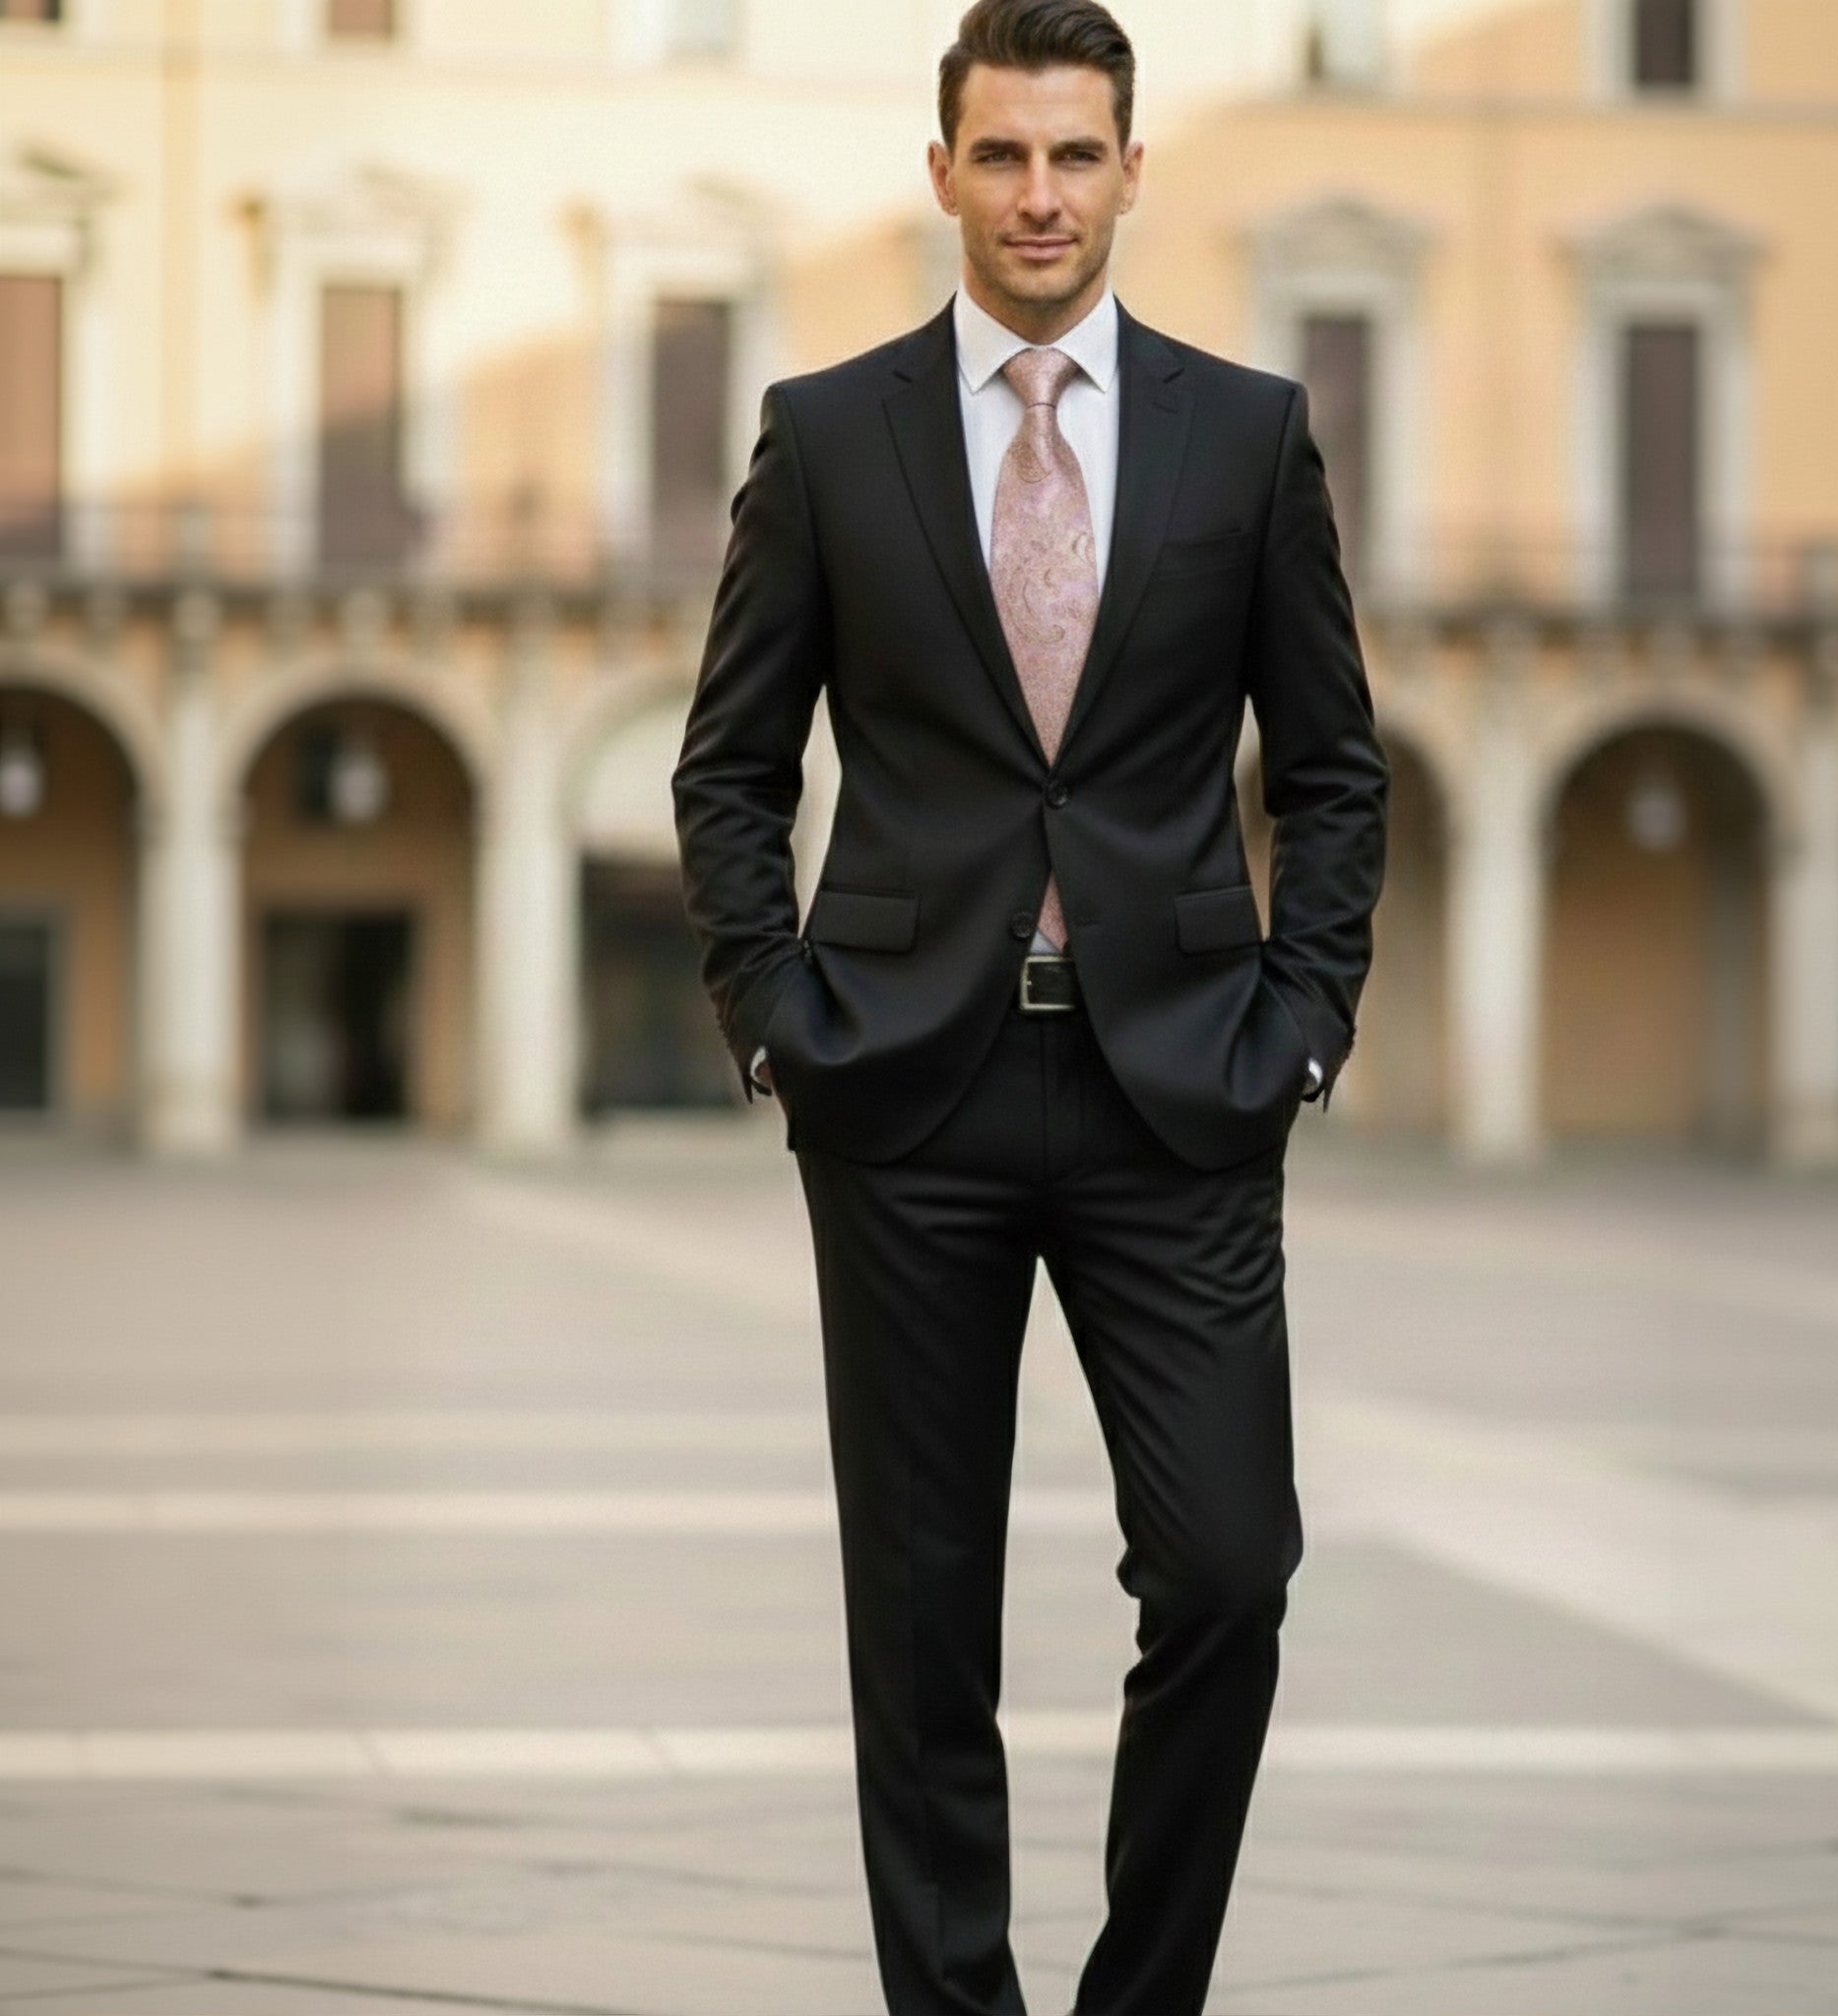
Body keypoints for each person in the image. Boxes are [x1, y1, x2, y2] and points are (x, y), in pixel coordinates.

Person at [672, 2, 1389, 2007]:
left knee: (1230, 1572)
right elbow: (729, 760)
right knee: (919, 1622)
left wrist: (1305, 1017)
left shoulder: (1243, 434)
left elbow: (1331, 764)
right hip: (903, 1088)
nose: (1040, 194)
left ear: (1133, 171)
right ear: (941, 175)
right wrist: (770, 1013)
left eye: (1076, 154)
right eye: (1002, 154)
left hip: (1181, 1087)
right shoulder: (830, 434)